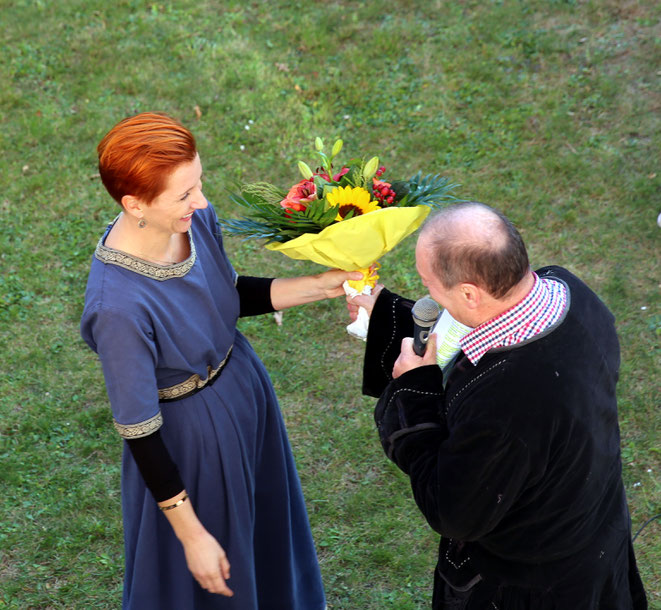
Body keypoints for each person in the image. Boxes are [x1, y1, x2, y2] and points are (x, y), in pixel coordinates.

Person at [80, 112, 360, 609]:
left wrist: (318, 286)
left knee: (265, 534)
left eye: (198, 183)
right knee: (213, 579)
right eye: (184, 194)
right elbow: (140, 431)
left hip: (245, 392)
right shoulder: (116, 306)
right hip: (191, 445)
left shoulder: (196, 221)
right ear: (134, 203)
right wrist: (191, 536)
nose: (202, 201)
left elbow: (225, 294)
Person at [348, 202, 648, 609]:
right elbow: (465, 328)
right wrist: (386, 312)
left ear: (470, 292)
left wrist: (415, 391)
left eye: (428, 283)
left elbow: (455, 511)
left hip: (533, 586)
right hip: (593, 531)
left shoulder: (505, 402)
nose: (428, 295)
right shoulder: (568, 290)